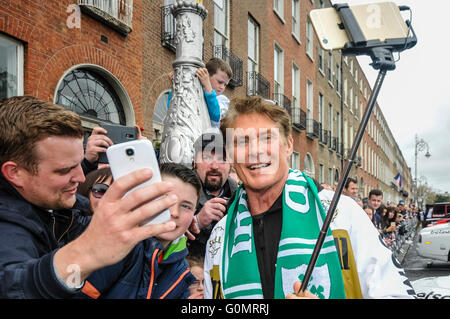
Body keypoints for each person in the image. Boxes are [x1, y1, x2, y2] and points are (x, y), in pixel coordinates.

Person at [203, 96, 415, 299]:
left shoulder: (341, 214)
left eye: (267, 137)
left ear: (288, 146)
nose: (256, 151)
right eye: (242, 142)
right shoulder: (220, 237)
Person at [0, 96, 177, 298]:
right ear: (15, 173)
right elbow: (10, 283)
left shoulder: (54, 204)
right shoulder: (7, 225)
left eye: (80, 162)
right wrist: (86, 253)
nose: (82, 176)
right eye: (64, 170)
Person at [188, 132, 237, 258]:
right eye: (207, 158)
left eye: (221, 159)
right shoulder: (178, 193)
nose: (214, 166)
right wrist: (196, 222)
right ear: (195, 162)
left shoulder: (242, 198)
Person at [168, 57, 232, 129]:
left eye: (225, 84)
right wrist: (175, 87)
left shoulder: (222, 99)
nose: (222, 87)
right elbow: (172, 109)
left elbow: (216, 116)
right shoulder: (196, 92)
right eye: (220, 82)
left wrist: (208, 87)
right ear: (207, 75)